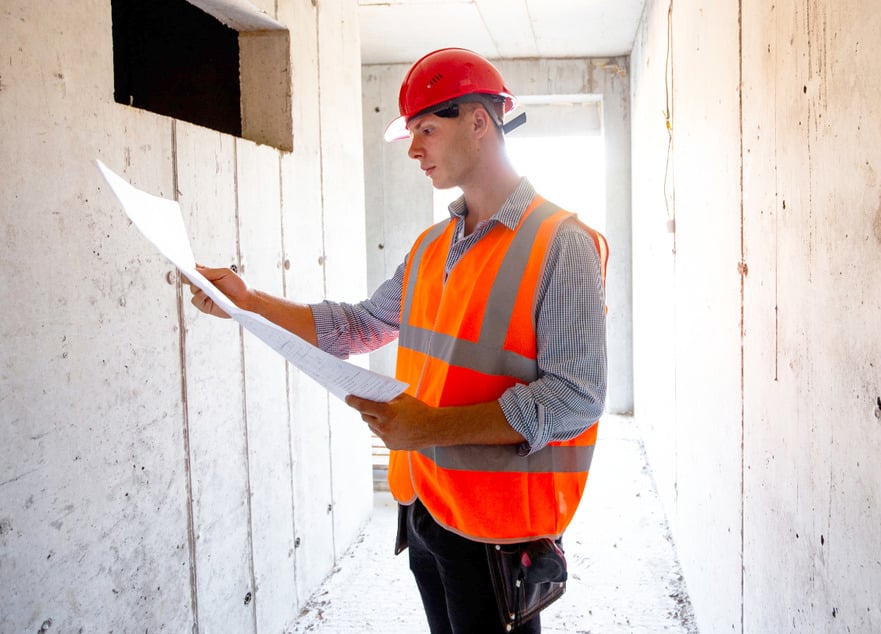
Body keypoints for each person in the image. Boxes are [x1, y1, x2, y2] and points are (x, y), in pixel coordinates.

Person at [188, 48, 608, 634]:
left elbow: (576, 397)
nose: (414, 150)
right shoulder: (431, 247)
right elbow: (358, 326)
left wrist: (427, 428)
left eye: (427, 130)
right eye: (411, 133)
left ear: (480, 122)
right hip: (424, 507)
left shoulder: (562, 244)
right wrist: (247, 302)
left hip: (497, 529)